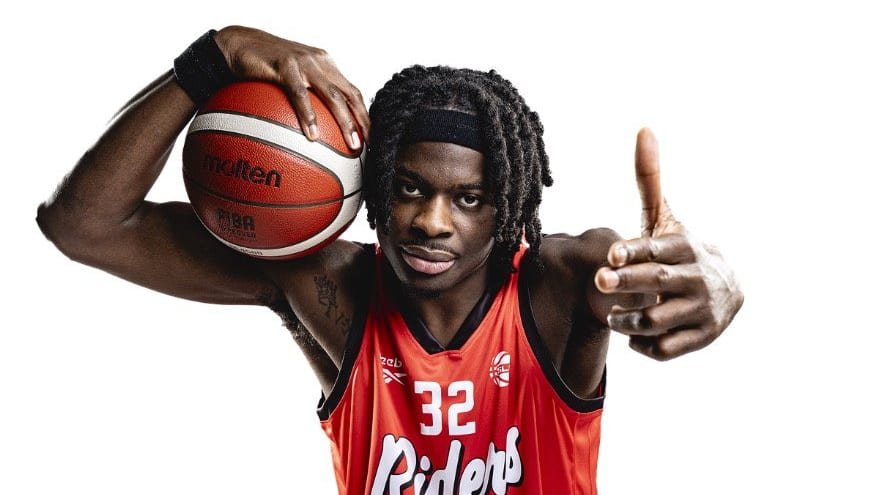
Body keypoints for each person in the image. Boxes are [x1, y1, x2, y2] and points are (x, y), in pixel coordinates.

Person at [36, 25, 744, 494]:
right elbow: (82, 226)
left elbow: (625, 270)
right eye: (409, 188)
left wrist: (707, 281)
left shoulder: (554, 286)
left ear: (506, 210)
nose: (432, 222)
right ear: (374, 189)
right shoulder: (326, 286)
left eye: (469, 198)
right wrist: (211, 60)